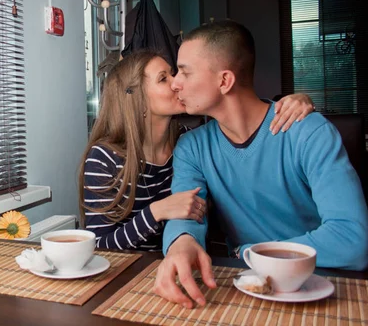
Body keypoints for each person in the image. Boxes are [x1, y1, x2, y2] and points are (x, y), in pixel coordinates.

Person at [153, 20, 368, 308]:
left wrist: (251, 253)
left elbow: (353, 242)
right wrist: (181, 244)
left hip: (322, 286)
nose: (175, 82)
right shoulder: (192, 147)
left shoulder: (307, 131)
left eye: (184, 72)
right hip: (248, 288)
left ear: (224, 81)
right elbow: (187, 211)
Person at [79, 48, 315, 252]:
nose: (177, 83)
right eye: (164, 78)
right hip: (126, 275)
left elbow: (239, 117)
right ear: (137, 99)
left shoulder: (188, 143)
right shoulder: (104, 158)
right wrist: (155, 212)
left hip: (183, 264)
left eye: (174, 73)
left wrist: (291, 102)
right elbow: (99, 246)